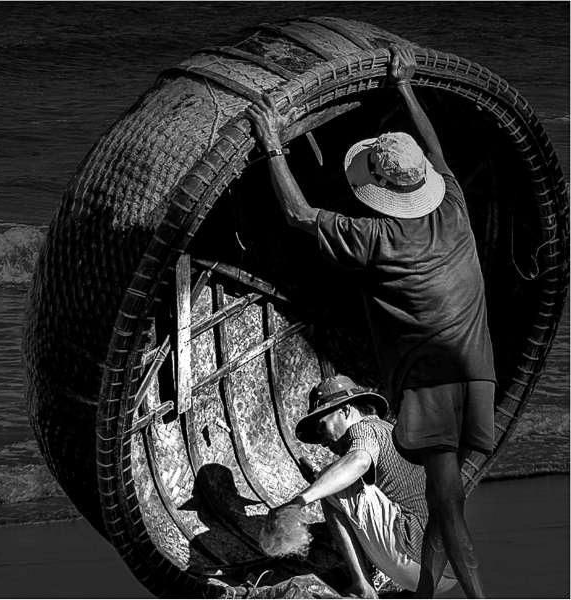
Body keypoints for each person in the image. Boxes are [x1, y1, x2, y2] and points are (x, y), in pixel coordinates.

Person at [246, 45, 496, 599]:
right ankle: (431, 592)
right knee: (443, 498)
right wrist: (405, 87)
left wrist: (273, 147)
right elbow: (436, 150)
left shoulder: (377, 236)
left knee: (445, 503)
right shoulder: (453, 205)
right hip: (479, 374)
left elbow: (298, 216)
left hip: (432, 382)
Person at [266, 373, 456, 598]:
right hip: (445, 573)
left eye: (322, 427)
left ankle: (362, 586)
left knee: (331, 482)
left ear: (345, 410)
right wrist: (318, 480)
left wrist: (299, 501)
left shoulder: (367, 427)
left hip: (415, 553)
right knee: (330, 481)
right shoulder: (390, 432)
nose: (322, 442)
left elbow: (359, 461)